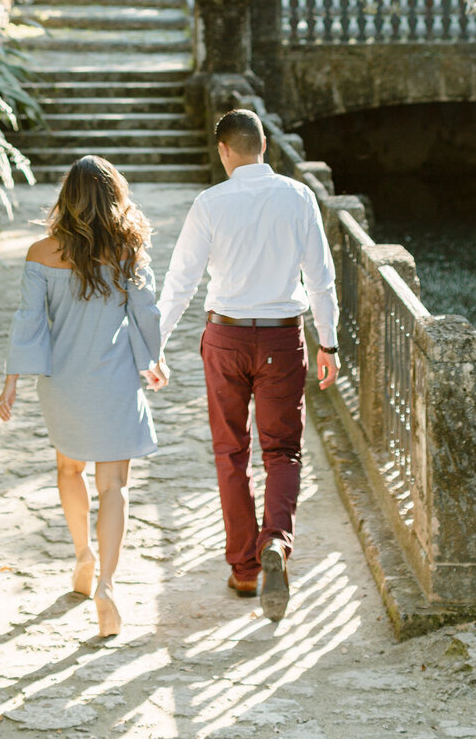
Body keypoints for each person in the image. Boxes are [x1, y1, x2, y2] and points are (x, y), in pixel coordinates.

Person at [157, 108, 339, 621]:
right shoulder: (298, 197)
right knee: (283, 451)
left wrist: (155, 347)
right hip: (282, 339)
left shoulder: (210, 203)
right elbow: (320, 279)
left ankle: (243, 568)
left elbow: (181, 282)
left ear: (224, 152)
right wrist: (329, 344)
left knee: (230, 451)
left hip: (226, 336)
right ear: (265, 147)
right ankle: (277, 543)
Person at [0, 155, 168, 637]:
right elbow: (147, 313)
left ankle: (82, 558)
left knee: (68, 469)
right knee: (114, 485)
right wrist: (152, 359)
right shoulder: (129, 251)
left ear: (66, 200)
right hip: (113, 382)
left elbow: (28, 322)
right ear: (116, 196)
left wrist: (12, 378)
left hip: (63, 385)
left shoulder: (39, 253)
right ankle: (108, 587)